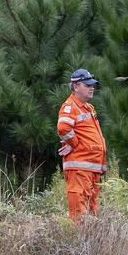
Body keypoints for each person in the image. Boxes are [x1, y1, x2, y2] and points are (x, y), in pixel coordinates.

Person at [56, 68, 108, 220]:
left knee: (92, 210)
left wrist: (102, 164)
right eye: (87, 85)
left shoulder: (89, 108)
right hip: (80, 166)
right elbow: (63, 128)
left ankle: (91, 240)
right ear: (76, 86)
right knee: (79, 210)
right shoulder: (70, 107)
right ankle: (79, 241)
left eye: (93, 85)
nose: (92, 88)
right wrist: (74, 143)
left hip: (92, 167)